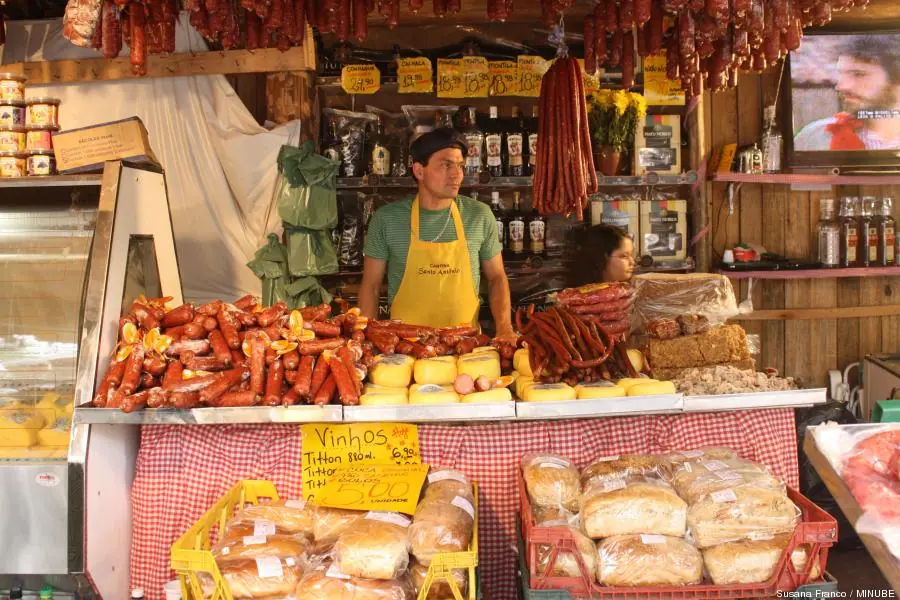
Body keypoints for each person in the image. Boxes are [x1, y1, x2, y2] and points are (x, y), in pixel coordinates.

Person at [359, 128, 517, 342]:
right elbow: (371, 286)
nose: (457, 174)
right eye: (446, 165)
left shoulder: (479, 215)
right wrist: (365, 340)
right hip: (405, 349)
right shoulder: (387, 219)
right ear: (419, 171)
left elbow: (497, 277)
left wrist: (505, 328)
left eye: (460, 166)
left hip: (466, 347)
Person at [794, 36, 900, 151]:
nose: (842, 87)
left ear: (896, 79)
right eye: (841, 74)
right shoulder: (814, 137)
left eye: (859, 74)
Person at [567, 224, 635, 285]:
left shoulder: (630, 290)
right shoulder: (577, 294)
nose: (632, 262)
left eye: (631, 255)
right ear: (602, 258)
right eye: (624, 256)